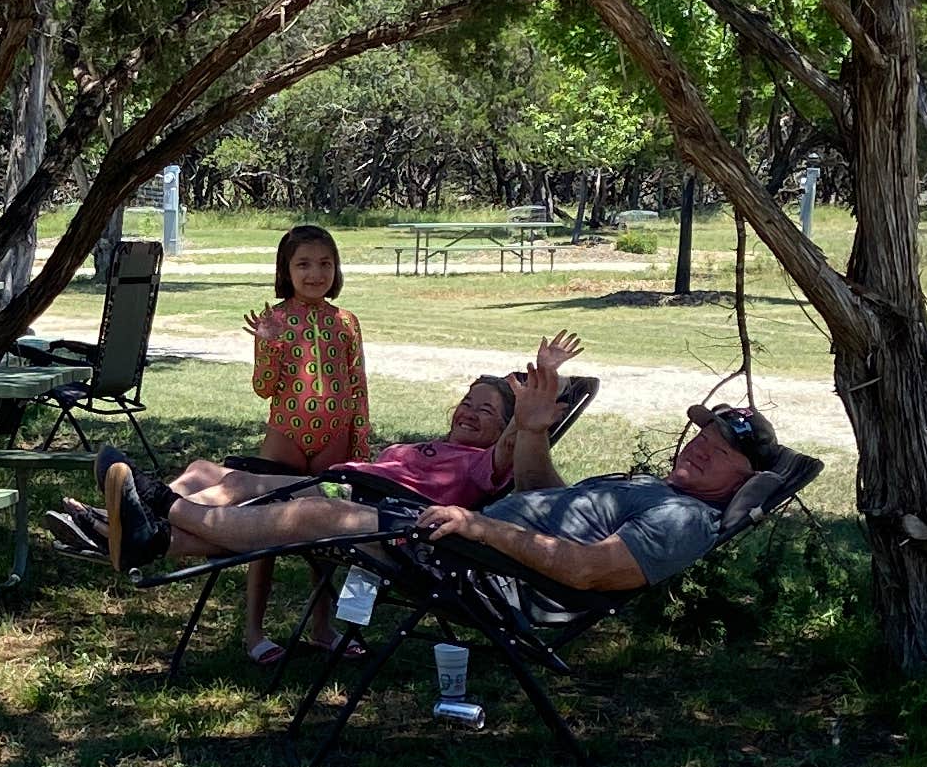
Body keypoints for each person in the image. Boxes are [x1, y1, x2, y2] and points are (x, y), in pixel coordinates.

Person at [107, 360, 786, 604]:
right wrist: (533, 427)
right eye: (700, 434)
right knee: (292, 505)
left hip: (483, 572)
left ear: (744, 479)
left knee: (321, 516)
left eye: (718, 450)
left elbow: (583, 571)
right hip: (474, 545)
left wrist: (480, 525)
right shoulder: (653, 489)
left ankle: (160, 508)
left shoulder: (685, 521)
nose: (698, 449)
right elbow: (542, 487)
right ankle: (145, 535)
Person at [237, 223, 369, 665]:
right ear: (286, 270)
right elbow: (264, 387)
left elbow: (358, 386)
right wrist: (267, 346)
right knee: (266, 530)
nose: (315, 273)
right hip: (285, 435)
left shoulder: (347, 321)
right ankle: (253, 630)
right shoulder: (273, 319)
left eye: (325, 263)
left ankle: (323, 625)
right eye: (304, 264)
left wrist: (360, 443)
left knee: (329, 533)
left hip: (335, 434)